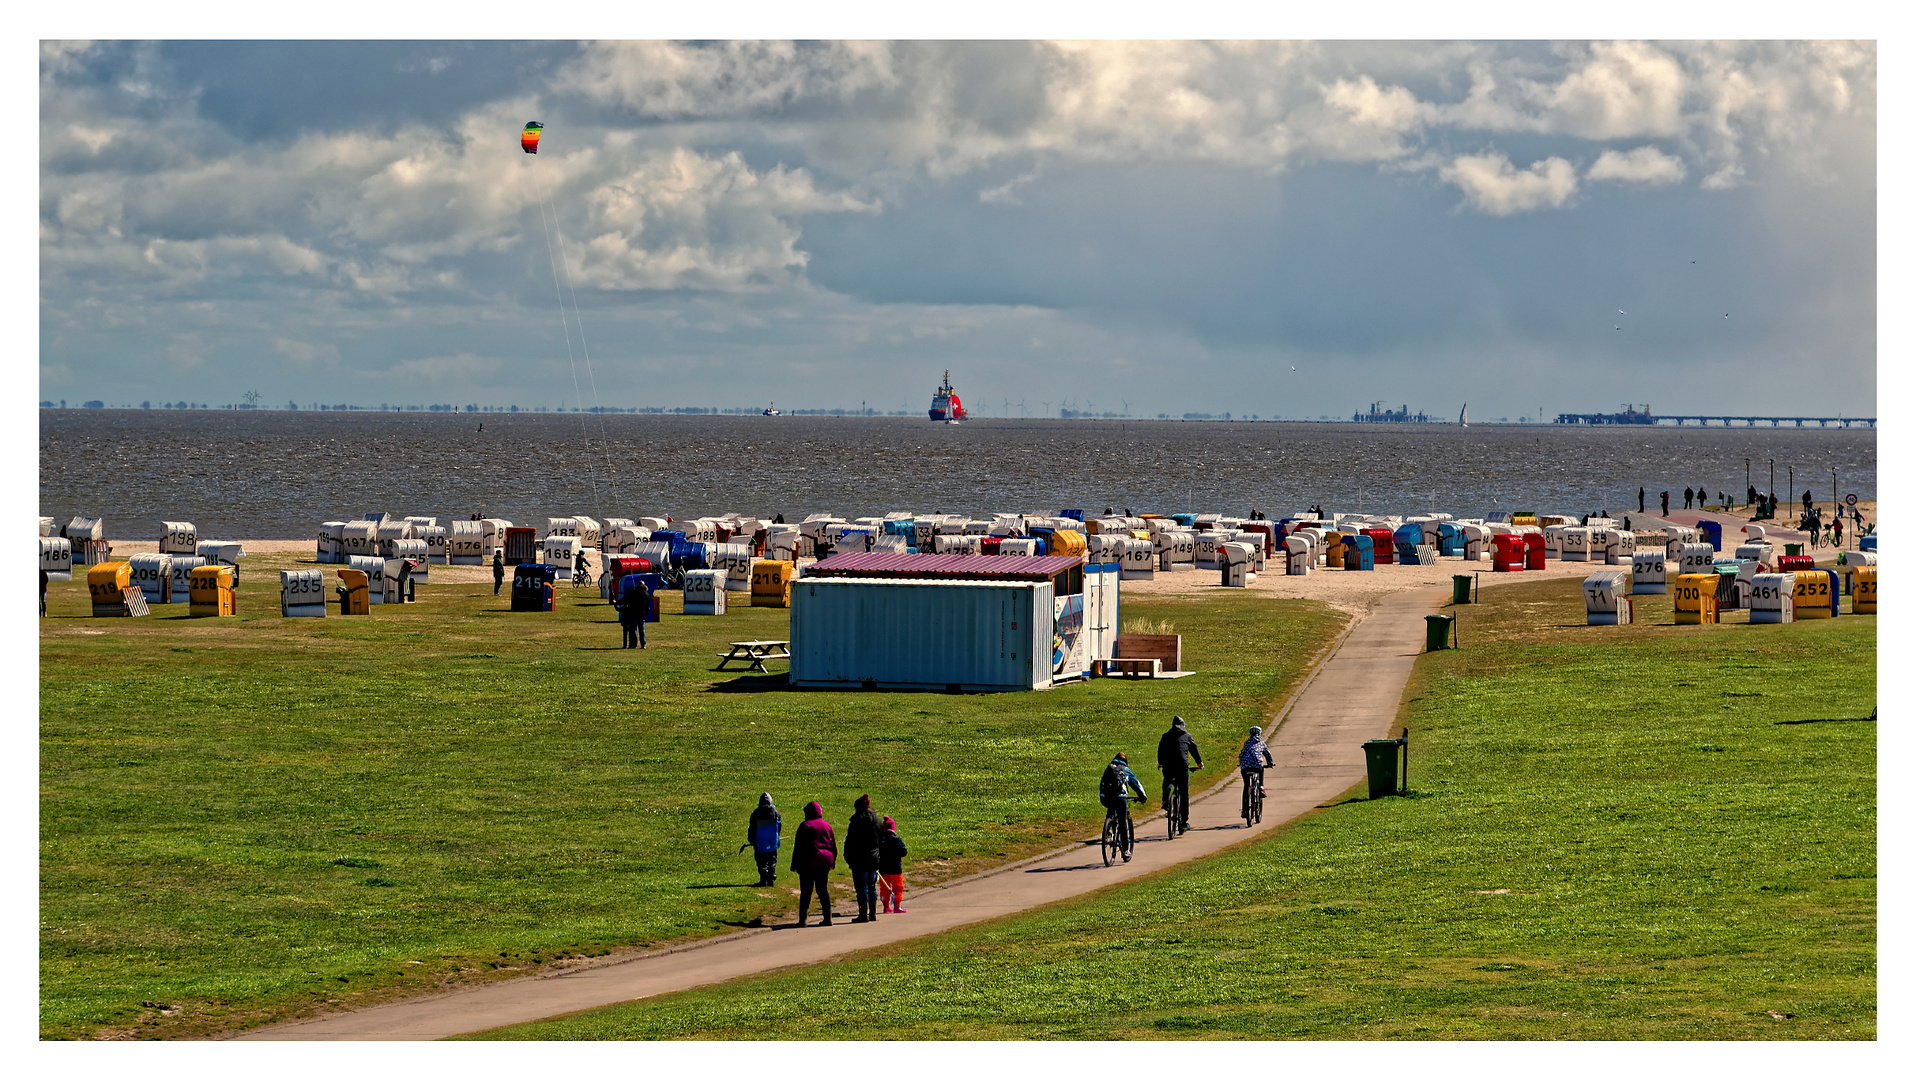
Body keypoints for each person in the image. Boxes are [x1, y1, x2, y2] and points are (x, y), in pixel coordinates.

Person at [791, 800, 836, 927]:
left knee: (806, 891)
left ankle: (802, 920)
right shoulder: (827, 825)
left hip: (809, 862)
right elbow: (833, 846)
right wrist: (833, 861)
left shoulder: (805, 825)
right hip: (825, 860)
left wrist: (794, 865)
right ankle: (828, 918)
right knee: (823, 890)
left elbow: (798, 847)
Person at [1156, 715, 1203, 835]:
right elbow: (1194, 750)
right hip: (1182, 767)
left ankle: (1165, 801)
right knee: (1184, 793)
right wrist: (1199, 763)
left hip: (1168, 765)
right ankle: (1183, 823)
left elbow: (1160, 749)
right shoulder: (1187, 736)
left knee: (1167, 780)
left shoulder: (1166, 736)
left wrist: (1160, 762)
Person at [1098, 752, 1148, 861]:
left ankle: (1108, 831)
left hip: (1106, 797)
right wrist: (1142, 796)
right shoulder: (1125, 769)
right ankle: (1125, 850)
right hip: (1121, 797)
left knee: (1110, 812)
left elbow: (1101, 784)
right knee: (1122, 822)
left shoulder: (1109, 768)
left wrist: (1102, 795)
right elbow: (1135, 783)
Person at [844, 794, 883, 923]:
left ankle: (863, 914)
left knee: (861, 888)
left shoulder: (856, 822)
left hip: (859, 860)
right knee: (872, 886)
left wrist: (848, 857)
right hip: (874, 858)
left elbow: (849, 842)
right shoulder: (877, 821)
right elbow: (882, 840)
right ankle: (872, 914)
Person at [1238, 724, 1274, 817]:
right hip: (1257, 766)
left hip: (1245, 767)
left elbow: (1241, 754)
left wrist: (1241, 763)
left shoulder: (1246, 743)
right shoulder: (1261, 743)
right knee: (1260, 769)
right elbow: (1267, 754)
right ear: (1259, 734)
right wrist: (1270, 763)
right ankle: (1261, 787)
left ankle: (1245, 810)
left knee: (1246, 786)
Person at [746, 793, 781, 886]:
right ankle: (771, 879)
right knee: (772, 860)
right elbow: (779, 827)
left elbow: (752, 828)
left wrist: (752, 840)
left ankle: (763, 879)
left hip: (760, 841)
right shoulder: (776, 813)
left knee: (761, 861)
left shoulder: (756, 814)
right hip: (772, 841)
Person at [878, 815, 909, 913]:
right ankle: (897, 906)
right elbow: (904, 852)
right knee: (898, 887)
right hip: (895, 868)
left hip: (883, 869)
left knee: (884, 888)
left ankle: (886, 906)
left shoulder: (880, 840)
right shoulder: (897, 840)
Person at [616, 576, 650, 649]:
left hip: (633, 614)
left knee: (633, 629)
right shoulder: (646, 595)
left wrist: (616, 603)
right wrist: (644, 613)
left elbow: (624, 599)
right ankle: (643, 644)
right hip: (642, 615)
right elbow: (648, 607)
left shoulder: (633, 592)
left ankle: (633, 645)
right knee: (642, 630)